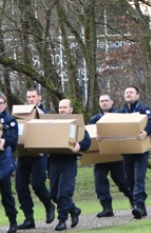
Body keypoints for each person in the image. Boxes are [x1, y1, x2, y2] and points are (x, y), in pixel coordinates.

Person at [49, 99, 91, 231]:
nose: (62, 110)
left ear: (71, 110)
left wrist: (79, 145)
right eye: (60, 107)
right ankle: (73, 210)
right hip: (54, 162)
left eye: (65, 108)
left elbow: (87, 141)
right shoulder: (52, 124)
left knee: (63, 194)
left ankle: (62, 220)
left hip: (69, 162)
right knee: (54, 195)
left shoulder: (77, 125)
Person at [16, 88, 55, 230]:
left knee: (37, 184)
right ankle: (29, 218)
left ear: (39, 97)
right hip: (23, 154)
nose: (31, 99)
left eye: (33, 96)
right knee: (20, 186)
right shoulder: (21, 113)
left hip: (40, 154)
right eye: (28, 97)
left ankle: (49, 205)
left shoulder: (46, 114)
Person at [88, 94, 132, 219]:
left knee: (122, 181)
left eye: (106, 100)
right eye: (101, 101)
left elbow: (126, 132)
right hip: (100, 156)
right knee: (99, 181)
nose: (104, 103)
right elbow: (88, 137)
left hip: (117, 155)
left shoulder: (118, 116)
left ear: (112, 102)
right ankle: (107, 208)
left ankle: (134, 200)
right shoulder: (94, 120)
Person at [116, 86, 151, 219]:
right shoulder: (120, 113)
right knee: (130, 180)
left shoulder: (143, 109)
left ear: (137, 96)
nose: (128, 94)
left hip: (141, 151)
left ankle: (138, 205)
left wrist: (145, 132)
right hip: (127, 151)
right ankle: (140, 207)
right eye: (126, 92)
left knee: (139, 178)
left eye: (131, 92)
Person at [0, 92, 20, 233]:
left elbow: (14, 141)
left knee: (7, 194)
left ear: (5, 104)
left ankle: (13, 221)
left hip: (4, 161)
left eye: (1, 103)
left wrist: (4, 141)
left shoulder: (11, 120)